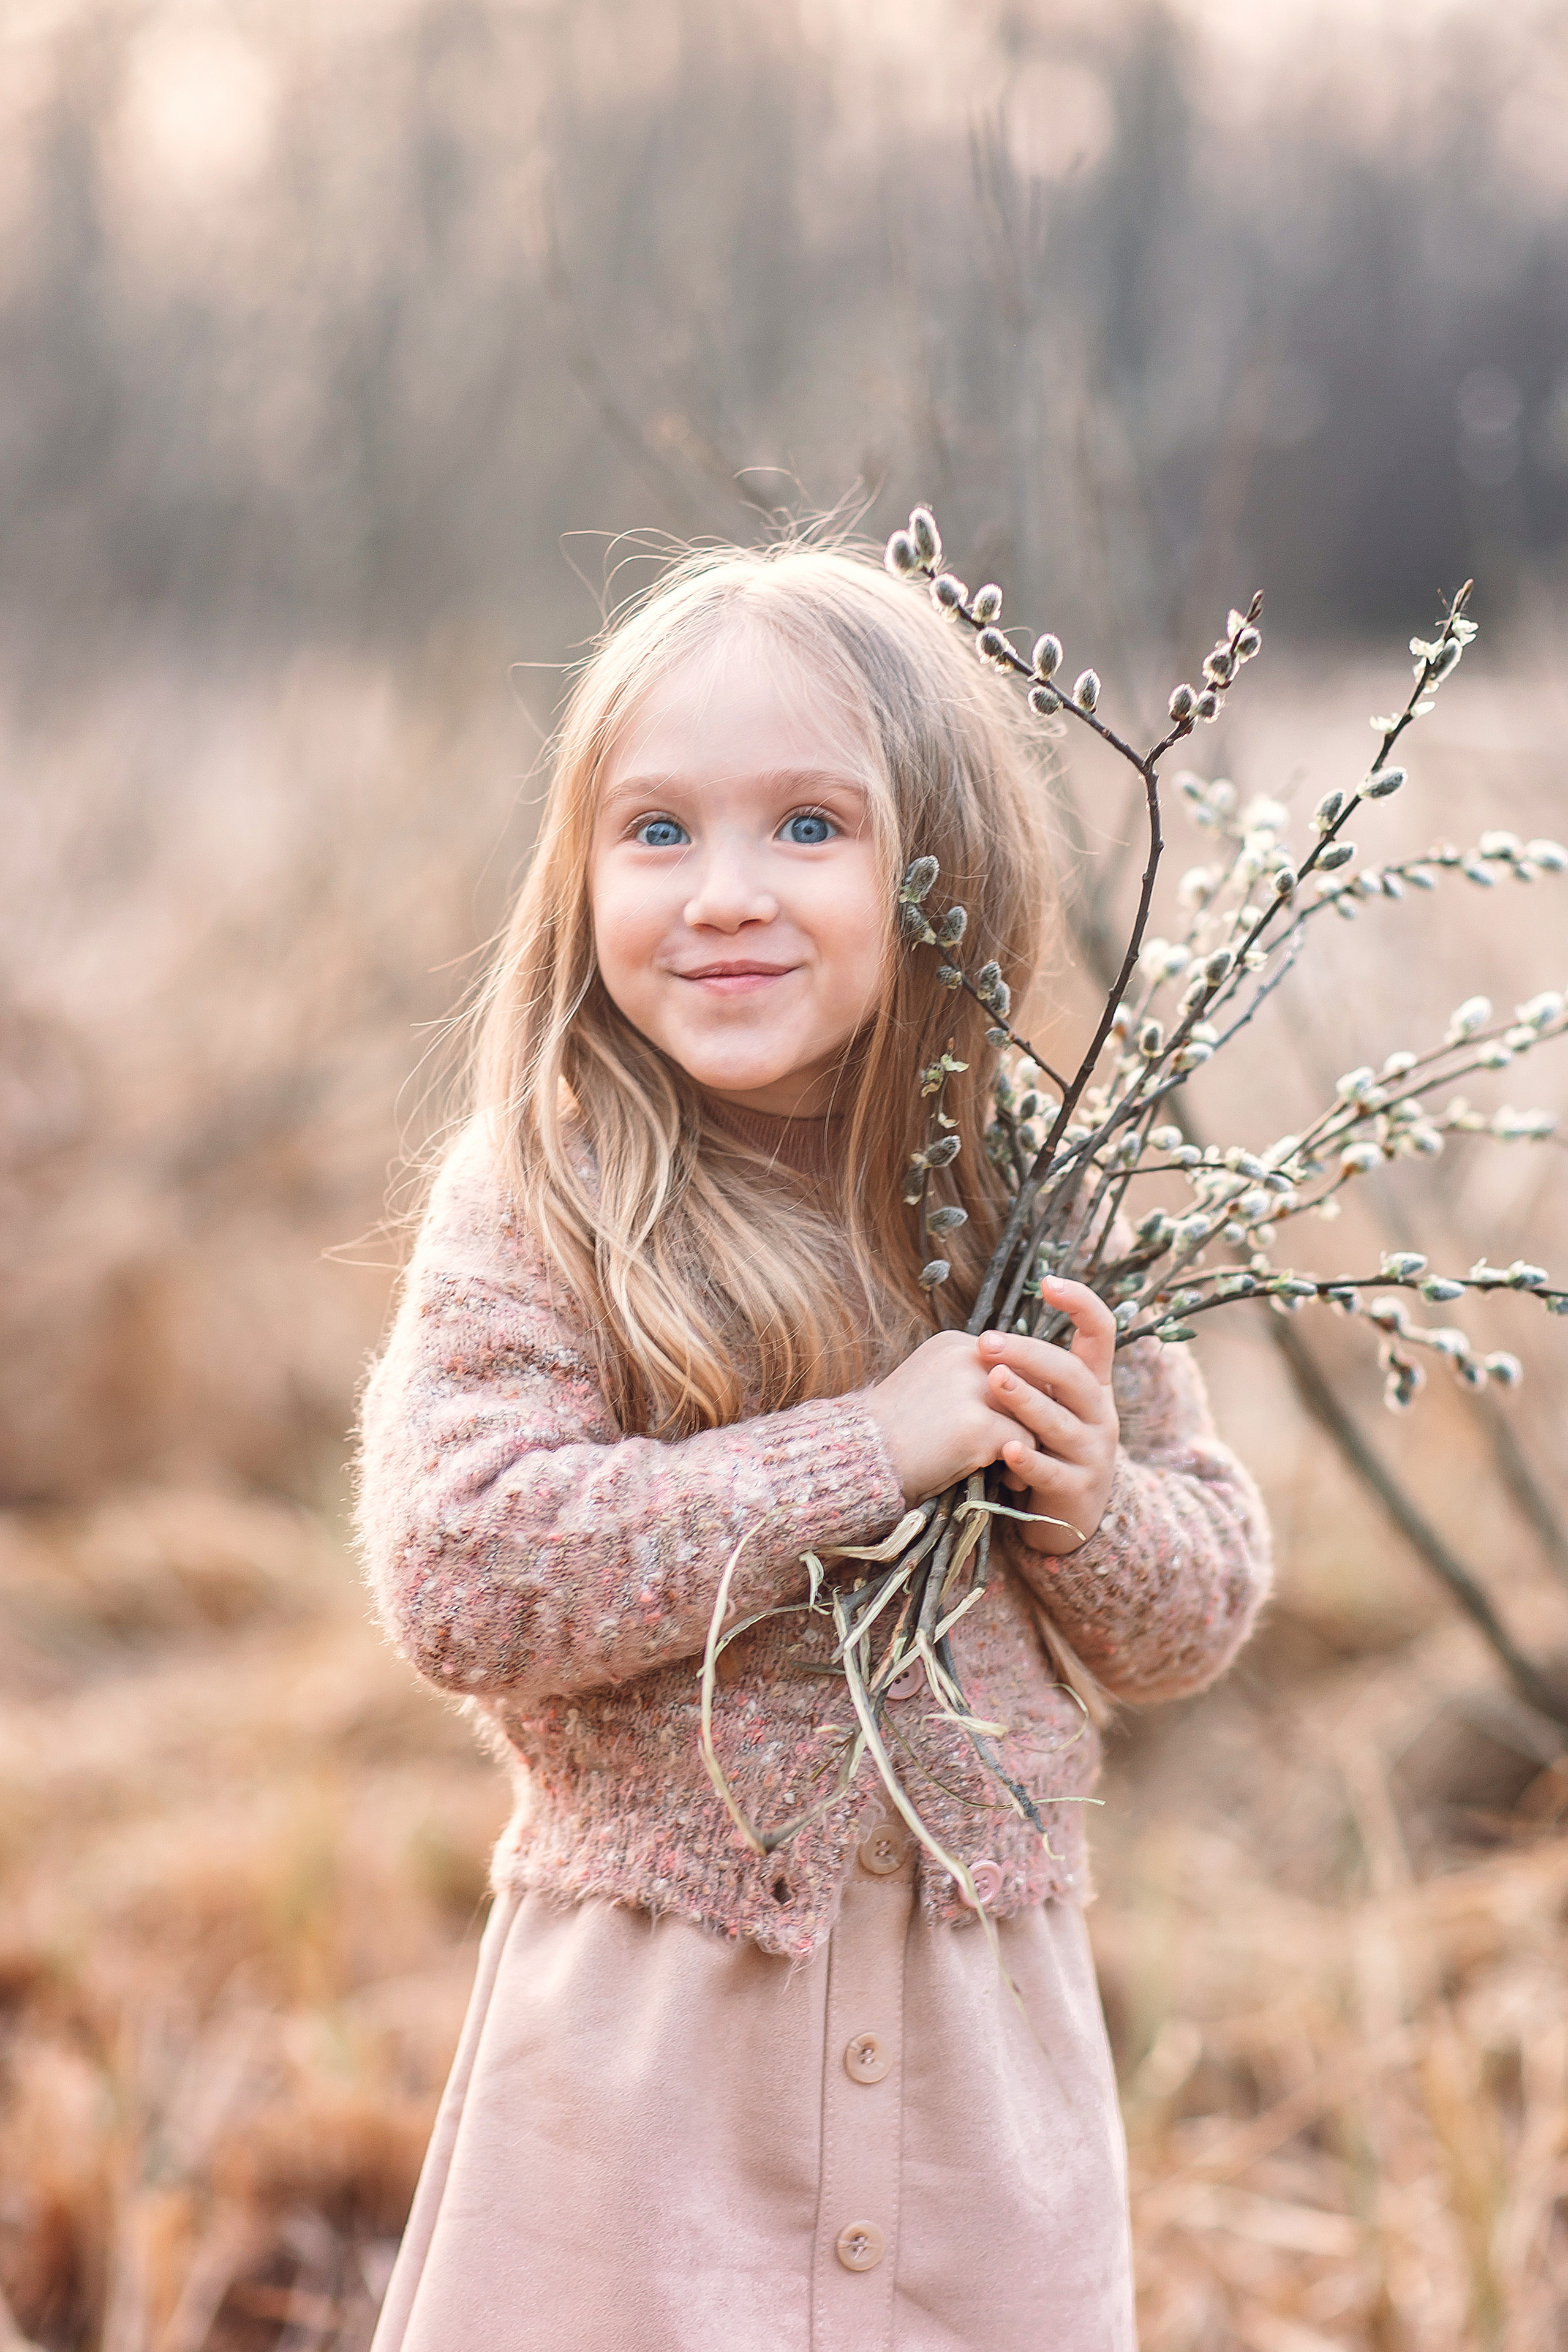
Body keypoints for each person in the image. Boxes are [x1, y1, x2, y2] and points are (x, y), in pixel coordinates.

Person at [356, 536, 1271, 2352]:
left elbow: (1202, 1603)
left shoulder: (1033, 1203)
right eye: (659, 831)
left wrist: (1084, 1507)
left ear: (943, 871)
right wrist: (863, 1449)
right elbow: (462, 1570)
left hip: (974, 2085)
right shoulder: (552, 1198)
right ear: (582, 873)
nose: (723, 894)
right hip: (646, 2073)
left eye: (807, 828)